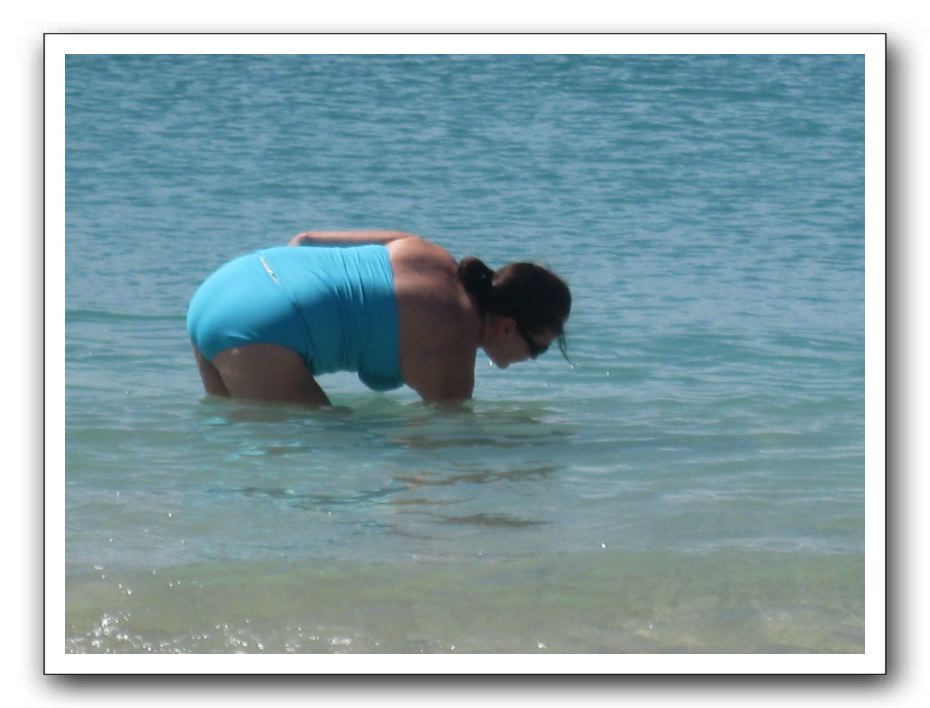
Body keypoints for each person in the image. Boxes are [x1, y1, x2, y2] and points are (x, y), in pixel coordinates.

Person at [186, 230, 571, 406]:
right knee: (317, 455)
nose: (532, 358)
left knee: (230, 430)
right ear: (507, 327)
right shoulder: (453, 351)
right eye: (538, 349)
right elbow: (445, 453)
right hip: (259, 327)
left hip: (223, 286)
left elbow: (306, 240)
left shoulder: (426, 250)